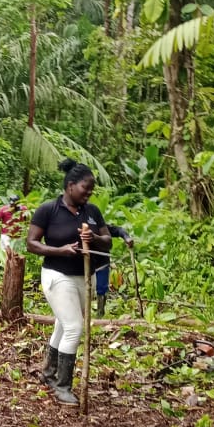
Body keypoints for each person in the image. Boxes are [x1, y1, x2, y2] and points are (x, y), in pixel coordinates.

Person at [25, 160, 112, 405]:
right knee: (74, 327)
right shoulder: (48, 209)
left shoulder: (92, 211)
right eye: (86, 187)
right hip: (57, 275)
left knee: (63, 326)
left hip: (84, 277)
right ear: (70, 185)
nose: (89, 192)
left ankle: (48, 373)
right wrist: (60, 250)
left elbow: (107, 241)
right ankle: (63, 387)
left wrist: (93, 237)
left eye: (91, 189)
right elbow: (31, 244)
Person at [94, 225, 134, 317]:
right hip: (83, 265)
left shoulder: (100, 226)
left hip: (101, 264)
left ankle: (100, 314)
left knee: (101, 288)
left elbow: (118, 230)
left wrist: (127, 237)